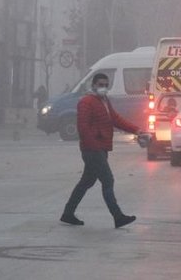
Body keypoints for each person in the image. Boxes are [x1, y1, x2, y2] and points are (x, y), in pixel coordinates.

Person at [61, 73, 143, 228]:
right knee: (108, 180)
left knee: (86, 181)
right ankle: (118, 216)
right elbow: (83, 128)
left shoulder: (104, 100)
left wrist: (136, 130)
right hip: (92, 150)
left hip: (100, 149)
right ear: (93, 85)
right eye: (100, 84)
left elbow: (116, 119)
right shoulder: (86, 102)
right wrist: (93, 148)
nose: (103, 87)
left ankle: (68, 213)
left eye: (106, 85)